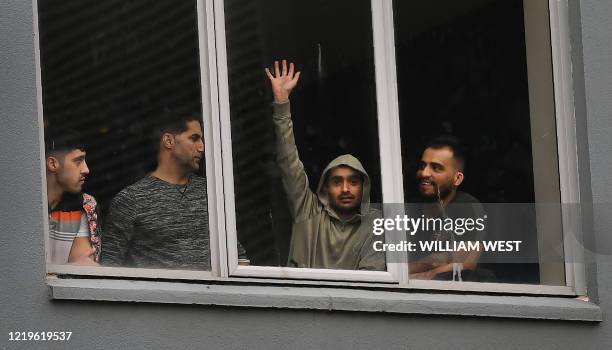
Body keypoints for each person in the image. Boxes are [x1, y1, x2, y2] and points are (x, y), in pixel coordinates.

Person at [265, 60, 385, 270]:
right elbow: (288, 162)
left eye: (353, 181)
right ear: (325, 187)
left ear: (364, 185)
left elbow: (371, 282)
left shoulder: (373, 224)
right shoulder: (309, 212)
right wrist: (282, 103)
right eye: (337, 181)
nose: (345, 189)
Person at [100, 113, 212, 269]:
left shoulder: (211, 192)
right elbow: (108, 267)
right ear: (169, 141)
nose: (202, 147)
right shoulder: (131, 199)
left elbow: (235, 258)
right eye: (194, 138)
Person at [408, 137, 485, 280]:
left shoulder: (467, 206)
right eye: (422, 166)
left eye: (436, 168)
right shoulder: (410, 209)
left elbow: (464, 264)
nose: (424, 173)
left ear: (457, 179)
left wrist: (408, 275)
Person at [45, 128, 100, 266]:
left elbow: (84, 266)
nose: (86, 169)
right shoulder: (20, 206)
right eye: (78, 161)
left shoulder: (83, 205)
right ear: (53, 164)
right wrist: (72, 268)